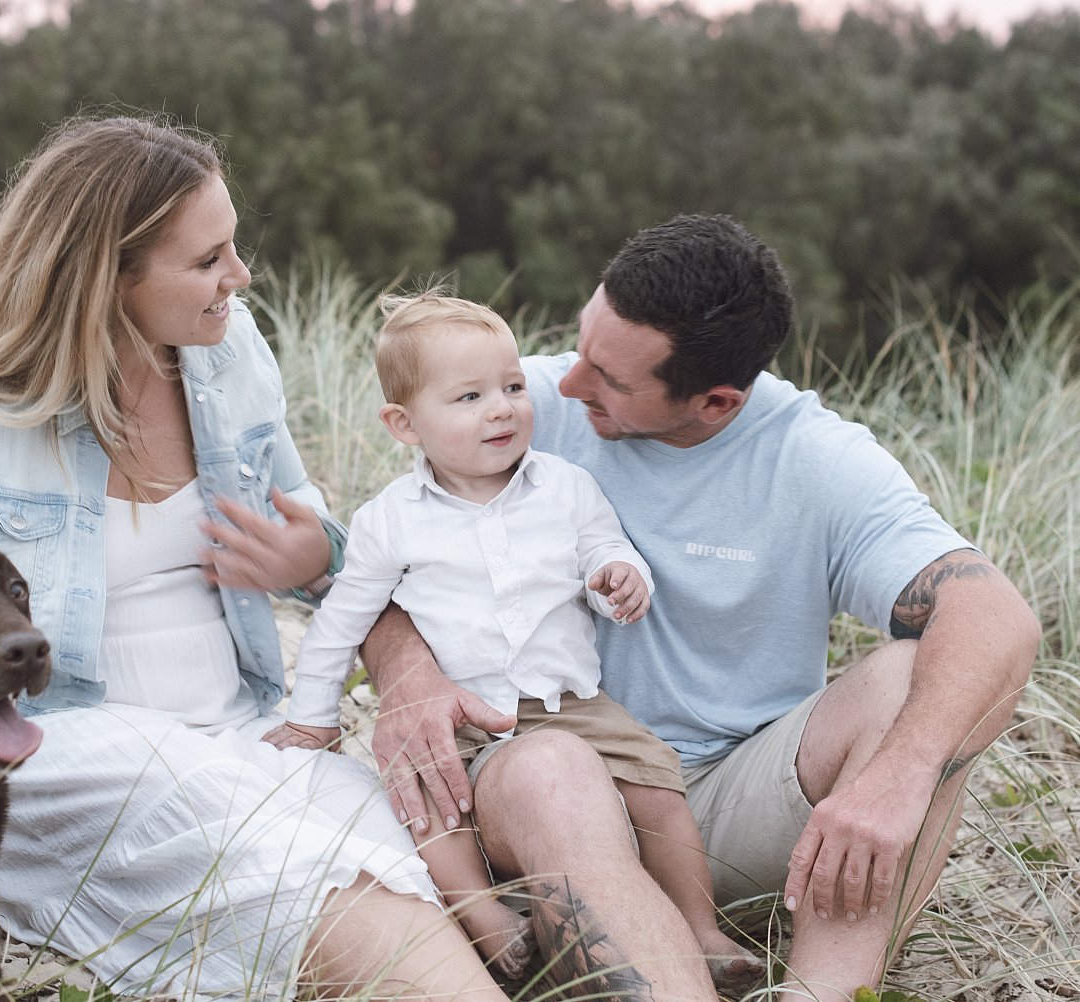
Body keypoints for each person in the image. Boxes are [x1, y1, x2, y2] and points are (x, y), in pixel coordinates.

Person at [0, 115, 516, 1002]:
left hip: (245, 730)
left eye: (232, 247)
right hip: (74, 748)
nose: (240, 277)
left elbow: (327, 552)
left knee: (391, 842)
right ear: (103, 275)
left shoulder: (232, 358)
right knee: (312, 869)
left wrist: (313, 557)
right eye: (207, 261)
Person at [361, 214, 1040, 999]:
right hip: (532, 775)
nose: (569, 383)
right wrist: (407, 670)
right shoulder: (509, 407)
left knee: (915, 681)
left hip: (723, 806)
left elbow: (999, 620)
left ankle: (819, 993)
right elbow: (360, 564)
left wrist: (897, 779)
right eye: (583, 344)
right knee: (555, 771)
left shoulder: (815, 459)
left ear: (716, 402)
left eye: (610, 381)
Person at [262, 293, 764, 991]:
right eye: (469, 396)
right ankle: (485, 919)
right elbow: (342, 623)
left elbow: (603, 546)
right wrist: (310, 719)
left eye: (513, 387)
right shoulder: (390, 521)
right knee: (429, 806)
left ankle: (701, 925)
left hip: (573, 703)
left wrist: (619, 574)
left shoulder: (565, 486)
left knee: (656, 785)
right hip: (462, 713)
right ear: (404, 424)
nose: (502, 408)